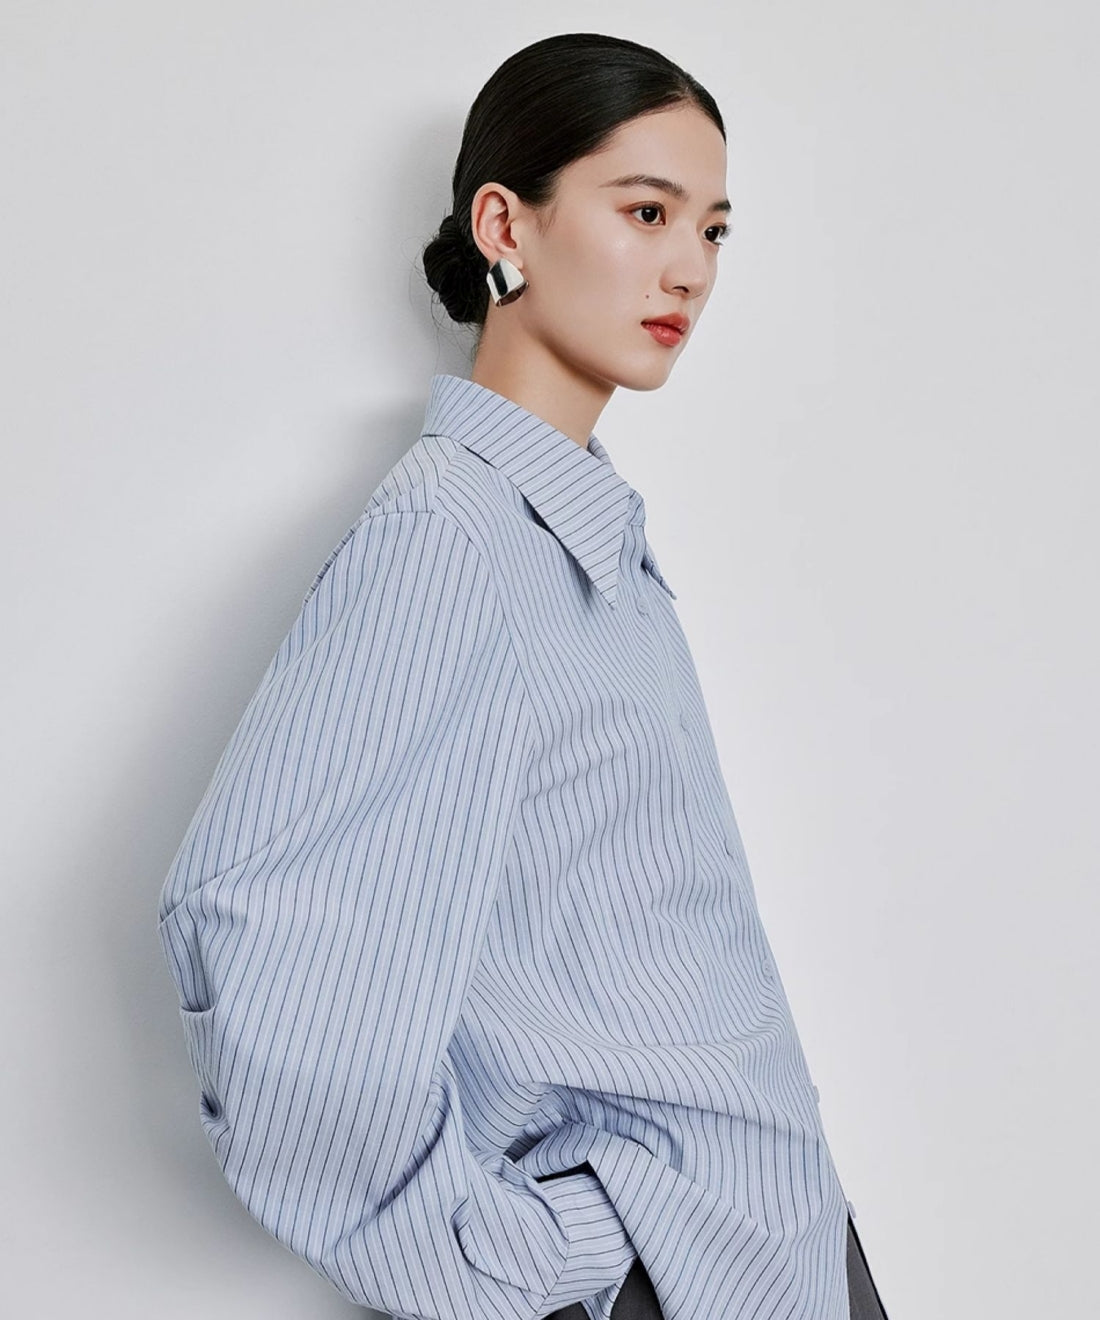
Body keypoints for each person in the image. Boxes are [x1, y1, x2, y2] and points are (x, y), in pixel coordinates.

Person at [157, 30, 891, 1320]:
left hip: (768, 1237)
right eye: (646, 211)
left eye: (715, 230)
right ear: (507, 224)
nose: (690, 268)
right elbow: (262, 939)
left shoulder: (581, 535)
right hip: (659, 1269)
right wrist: (514, 1256)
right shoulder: (452, 538)